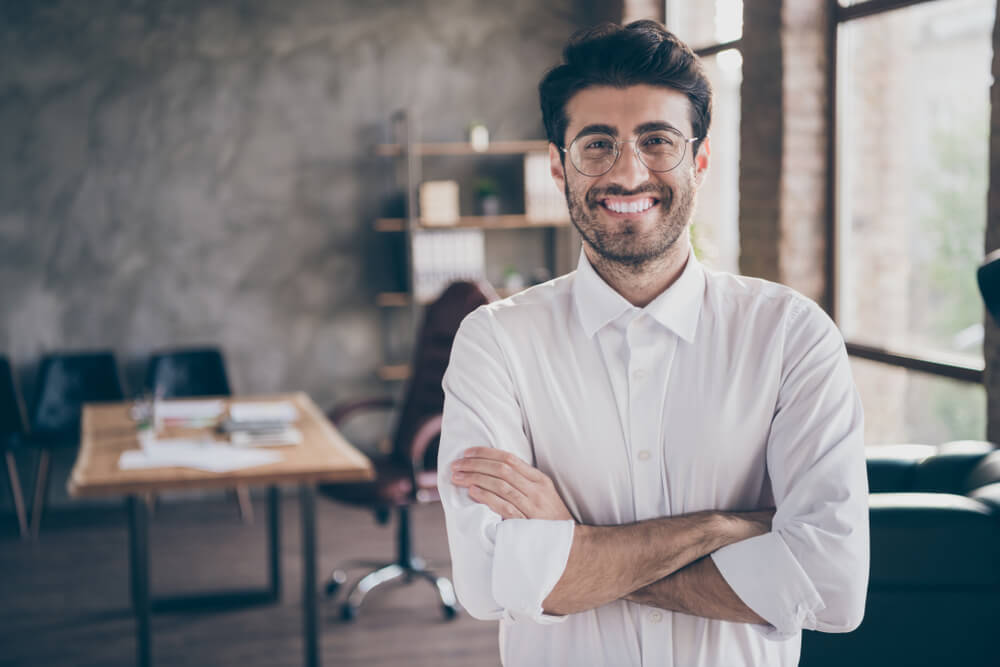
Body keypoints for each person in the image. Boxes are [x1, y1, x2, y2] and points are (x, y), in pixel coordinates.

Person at [437, 20, 869, 667]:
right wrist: (723, 528)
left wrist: (571, 545)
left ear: (700, 160)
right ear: (558, 166)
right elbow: (488, 578)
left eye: (657, 141)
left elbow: (832, 585)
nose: (628, 172)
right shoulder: (495, 340)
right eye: (597, 144)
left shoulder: (792, 335)